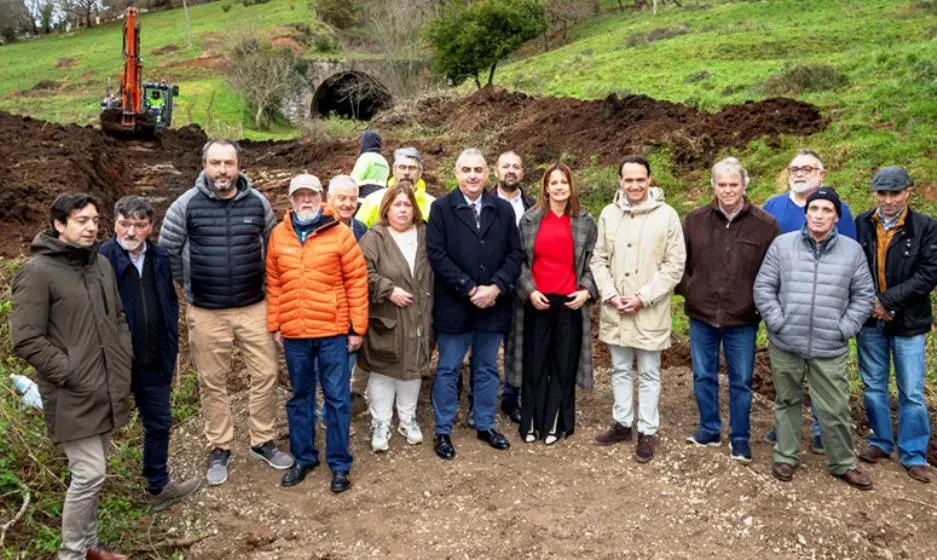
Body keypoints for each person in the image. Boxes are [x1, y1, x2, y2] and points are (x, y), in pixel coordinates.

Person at [159, 139, 293, 486]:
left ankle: (262, 440)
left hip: (253, 306)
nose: (223, 170)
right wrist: (190, 284)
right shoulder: (185, 206)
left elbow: (271, 248)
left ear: (238, 166)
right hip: (207, 311)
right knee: (212, 381)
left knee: (265, 373)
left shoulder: (258, 202)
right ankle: (219, 446)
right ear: (204, 165)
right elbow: (168, 251)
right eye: (216, 163)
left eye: (229, 163)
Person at [12, 192, 133, 560]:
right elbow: (26, 339)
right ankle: (71, 554)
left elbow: (117, 320)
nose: (91, 227)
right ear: (59, 225)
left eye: (95, 220)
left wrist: (122, 360)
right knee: (90, 473)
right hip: (70, 392)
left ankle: (91, 546)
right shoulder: (37, 272)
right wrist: (69, 371)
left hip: (106, 386)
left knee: (95, 472)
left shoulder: (100, 265)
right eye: (82, 221)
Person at [754, 187, 875, 490]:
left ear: (836, 217)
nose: (819, 215)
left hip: (829, 345)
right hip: (786, 343)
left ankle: (843, 463)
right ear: (806, 213)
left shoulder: (852, 251)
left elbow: (863, 296)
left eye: (827, 210)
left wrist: (844, 328)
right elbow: (764, 287)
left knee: (834, 407)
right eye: (814, 209)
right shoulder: (782, 246)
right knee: (787, 400)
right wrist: (778, 322)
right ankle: (785, 455)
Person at [266, 174, 369, 492]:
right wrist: (275, 324)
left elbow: (356, 281)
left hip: (332, 332)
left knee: (337, 399)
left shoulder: (339, 234)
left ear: (320, 197)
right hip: (296, 333)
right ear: (291, 200)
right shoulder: (278, 236)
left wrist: (357, 327)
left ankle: (339, 464)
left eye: (311, 195)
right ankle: (304, 458)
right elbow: (274, 282)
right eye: (300, 196)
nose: (306, 200)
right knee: (300, 398)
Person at [99, 196, 200, 510]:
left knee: (158, 422)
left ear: (150, 227)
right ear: (114, 223)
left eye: (139, 225)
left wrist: (169, 345)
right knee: (99, 424)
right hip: (114, 362)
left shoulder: (158, 257)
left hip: (153, 358)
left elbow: (168, 301)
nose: (131, 231)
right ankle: (90, 492)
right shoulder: (101, 260)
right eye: (124, 223)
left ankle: (158, 486)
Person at [677, 158, 779, 463]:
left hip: (742, 318)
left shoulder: (765, 225)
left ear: (745, 186)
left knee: (741, 381)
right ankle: (709, 428)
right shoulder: (695, 220)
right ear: (713, 186)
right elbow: (679, 263)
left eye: (734, 184)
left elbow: (772, 273)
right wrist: (690, 290)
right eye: (722, 184)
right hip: (702, 315)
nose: (728, 190)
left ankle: (739, 437)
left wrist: (756, 304)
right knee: (704, 375)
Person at [426, 148, 523, 460]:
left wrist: (496, 287)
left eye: (478, 170)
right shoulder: (441, 208)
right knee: (448, 368)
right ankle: (443, 430)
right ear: (456, 174)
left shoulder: (503, 210)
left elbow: (514, 254)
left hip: (493, 304)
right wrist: (469, 288)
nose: (472, 176)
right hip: (456, 304)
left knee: (486, 368)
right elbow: (437, 254)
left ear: (487, 174)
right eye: (466, 170)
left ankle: (484, 424)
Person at [590, 155, 685, 463]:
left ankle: (646, 429)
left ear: (649, 179)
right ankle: (622, 423)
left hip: (649, 309)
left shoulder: (667, 216)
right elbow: (598, 259)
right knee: (618, 368)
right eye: (628, 180)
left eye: (639, 179)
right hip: (616, 308)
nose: (634, 185)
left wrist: (644, 297)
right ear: (620, 181)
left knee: (648, 371)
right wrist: (610, 294)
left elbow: (674, 265)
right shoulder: (608, 214)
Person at [761, 149, 857, 450]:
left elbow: (853, 260)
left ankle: (821, 430)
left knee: (825, 377)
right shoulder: (772, 207)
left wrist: (845, 321)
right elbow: (763, 260)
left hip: (827, 311)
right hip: (786, 310)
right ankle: (785, 430)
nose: (799, 173)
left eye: (807, 168)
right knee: (787, 378)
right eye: (794, 168)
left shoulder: (841, 212)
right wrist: (773, 315)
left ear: (821, 174)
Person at [854, 166, 937, 483]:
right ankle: (880, 441)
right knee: (874, 385)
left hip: (909, 322)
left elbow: (928, 274)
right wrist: (871, 304)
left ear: (908, 192)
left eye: (895, 193)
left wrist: (886, 302)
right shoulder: (861, 224)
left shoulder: (926, 227)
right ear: (874, 193)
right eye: (882, 193)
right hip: (870, 320)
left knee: (912, 390)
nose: (888, 200)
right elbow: (852, 265)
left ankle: (914, 453)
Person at [507, 163, 597, 445]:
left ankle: (557, 423)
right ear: (545, 187)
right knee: (535, 364)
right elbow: (518, 260)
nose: (559, 187)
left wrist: (586, 291)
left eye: (564, 182)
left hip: (570, 303)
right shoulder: (530, 219)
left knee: (563, 364)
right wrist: (529, 291)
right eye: (553, 182)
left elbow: (595, 261)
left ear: (571, 187)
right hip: (537, 302)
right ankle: (531, 422)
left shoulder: (584, 220)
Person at [358, 184, 434, 452]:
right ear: (386, 208)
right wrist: (388, 290)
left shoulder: (426, 234)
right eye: (397, 204)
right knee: (384, 367)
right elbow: (361, 272)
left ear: (414, 208)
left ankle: (407, 418)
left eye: (407, 204)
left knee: (413, 366)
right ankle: (381, 421)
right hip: (388, 316)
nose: (402, 210)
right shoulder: (374, 237)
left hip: (420, 313)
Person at [490, 150, 536, 424]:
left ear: (522, 172)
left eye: (516, 166)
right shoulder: (483, 201)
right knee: (485, 347)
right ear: (496, 171)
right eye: (505, 166)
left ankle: (511, 397)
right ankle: (478, 399)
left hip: (524, 286)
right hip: (493, 285)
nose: (511, 171)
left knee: (518, 346)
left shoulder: (532, 205)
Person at [327, 174, 369, 415]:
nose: (347, 204)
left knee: (346, 365)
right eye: (341, 198)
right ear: (329, 198)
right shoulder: (319, 227)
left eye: (352, 199)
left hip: (352, 310)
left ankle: (335, 416)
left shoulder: (361, 228)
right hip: (324, 310)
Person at [356, 147, 435, 228]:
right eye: (402, 167)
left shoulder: (432, 205)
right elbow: (358, 231)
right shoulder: (374, 200)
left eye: (412, 168)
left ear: (420, 171)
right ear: (394, 169)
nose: (407, 172)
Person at [350, 129, 390, 201]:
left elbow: (353, 182)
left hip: (363, 203)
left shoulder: (365, 158)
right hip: (379, 202)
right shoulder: (384, 161)